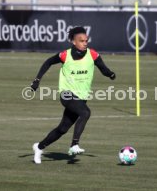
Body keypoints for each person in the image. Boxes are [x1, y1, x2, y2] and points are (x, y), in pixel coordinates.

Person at [30, 26, 116, 164]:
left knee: (62, 129)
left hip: (81, 97)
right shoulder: (65, 55)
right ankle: (74, 145)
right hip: (67, 94)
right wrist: (37, 80)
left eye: (86, 40)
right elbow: (48, 62)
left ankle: (39, 147)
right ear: (73, 42)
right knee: (86, 113)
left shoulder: (92, 55)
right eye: (81, 41)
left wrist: (110, 74)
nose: (85, 43)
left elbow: (103, 69)